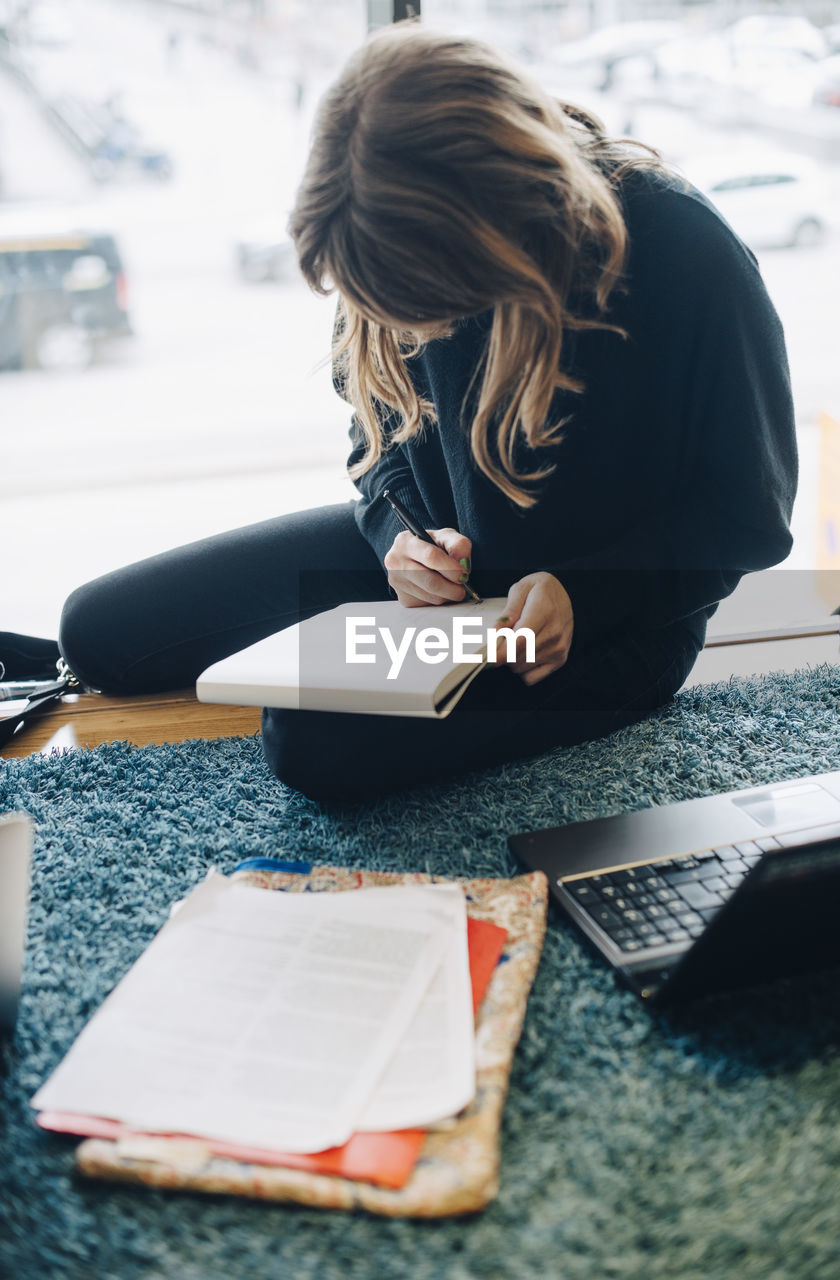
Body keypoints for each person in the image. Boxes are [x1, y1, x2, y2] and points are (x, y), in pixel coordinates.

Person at [58, 25, 797, 802]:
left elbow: (748, 517)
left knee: (310, 739)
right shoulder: (376, 230)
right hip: (442, 579)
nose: (417, 332)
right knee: (97, 634)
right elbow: (373, 443)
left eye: (432, 313)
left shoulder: (685, 248)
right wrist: (399, 538)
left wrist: (589, 597)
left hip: (605, 623)